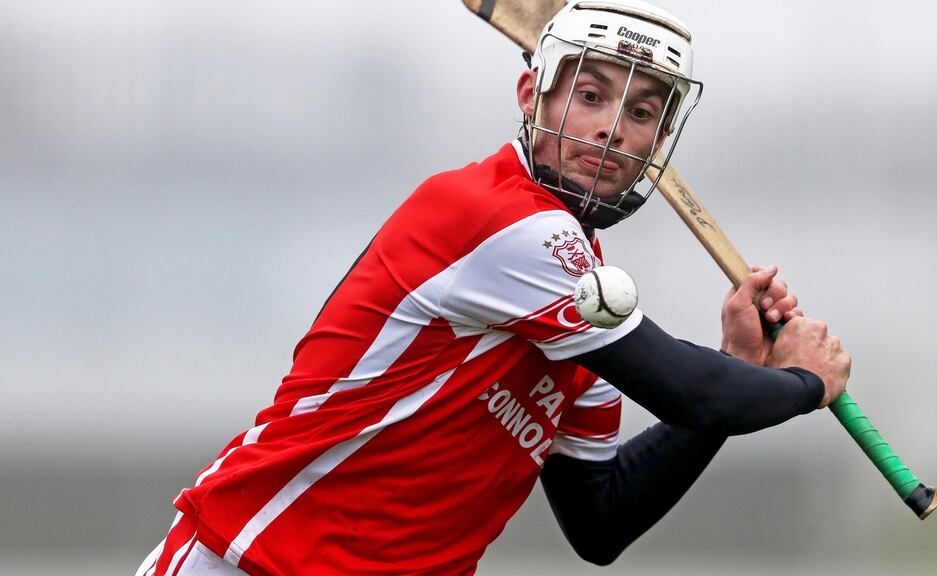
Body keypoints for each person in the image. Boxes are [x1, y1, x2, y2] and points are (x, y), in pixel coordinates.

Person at [137, 1, 851, 574]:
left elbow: (602, 520)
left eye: (640, 114)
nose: (611, 130)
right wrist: (804, 383)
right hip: (254, 560)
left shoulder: (587, 299)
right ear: (531, 97)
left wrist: (738, 363)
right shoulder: (499, 220)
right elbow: (692, 393)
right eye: (591, 96)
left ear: (656, 146)